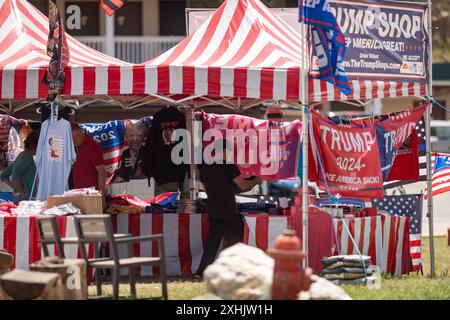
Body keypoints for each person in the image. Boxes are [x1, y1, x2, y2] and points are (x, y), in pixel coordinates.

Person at [194, 139, 262, 278]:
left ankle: (201, 272)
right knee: (237, 243)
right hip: (228, 211)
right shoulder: (228, 165)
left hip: (213, 210)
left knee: (212, 245)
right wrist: (257, 180)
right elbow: (244, 186)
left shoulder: (206, 167)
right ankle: (238, 272)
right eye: (230, 151)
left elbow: (207, 189)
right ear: (225, 150)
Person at [71, 123, 107, 207]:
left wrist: (101, 196)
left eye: (76, 138)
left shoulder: (92, 146)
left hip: (92, 196)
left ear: (81, 134)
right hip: (80, 195)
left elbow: (102, 171)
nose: (74, 141)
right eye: (72, 139)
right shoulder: (76, 147)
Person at [0, 131, 39, 203]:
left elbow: (4, 175)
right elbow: (15, 176)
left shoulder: (21, 156)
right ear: (35, 146)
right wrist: (22, 192)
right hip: (26, 197)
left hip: (20, 196)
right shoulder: (27, 156)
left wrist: (16, 189)